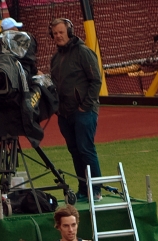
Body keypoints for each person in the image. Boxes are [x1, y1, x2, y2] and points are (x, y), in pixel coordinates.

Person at [49, 17, 103, 202]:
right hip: (64, 114)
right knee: (74, 150)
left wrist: (85, 106)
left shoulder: (83, 52)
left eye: (61, 32)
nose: (58, 36)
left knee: (86, 149)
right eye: (55, 33)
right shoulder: (55, 58)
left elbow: (96, 80)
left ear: (69, 32)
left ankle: (95, 190)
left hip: (83, 112)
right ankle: (83, 188)